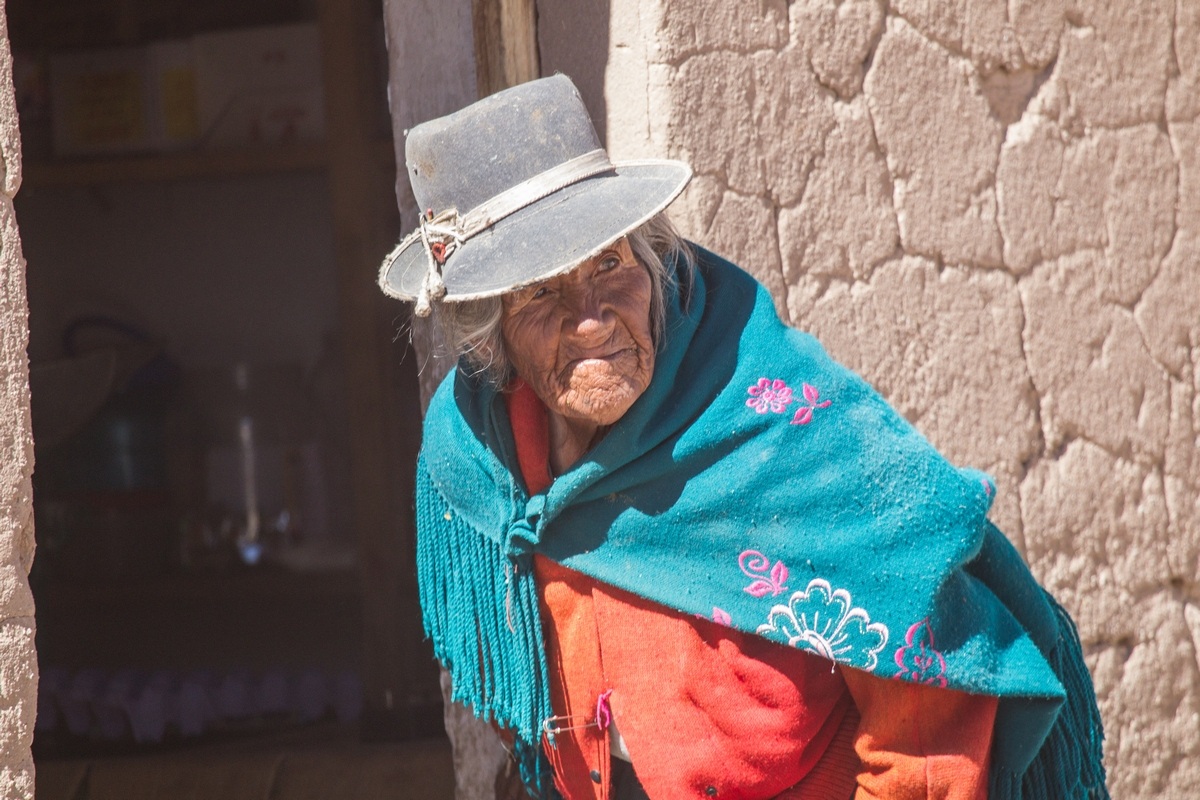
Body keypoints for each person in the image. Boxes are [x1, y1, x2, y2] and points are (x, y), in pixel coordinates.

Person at [378, 76, 1108, 800]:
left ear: (654, 264)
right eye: (539, 291)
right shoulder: (476, 451)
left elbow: (927, 690)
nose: (592, 316)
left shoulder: (774, 416)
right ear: (491, 333)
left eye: (610, 263)